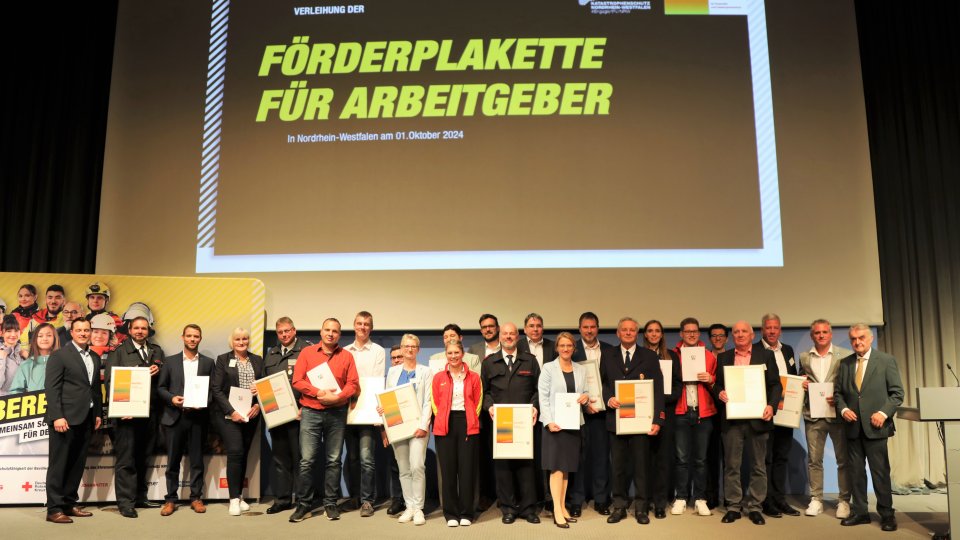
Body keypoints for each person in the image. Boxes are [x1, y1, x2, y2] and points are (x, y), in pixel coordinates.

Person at [834, 323, 903, 532]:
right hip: (852, 427)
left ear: (871, 338)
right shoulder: (844, 364)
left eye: (861, 337)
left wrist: (883, 413)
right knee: (856, 472)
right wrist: (844, 409)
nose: (857, 342)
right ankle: (861, 512)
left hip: (876, 428)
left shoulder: (886, 361)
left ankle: (887, 514)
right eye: (853, 339)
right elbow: (838, 394)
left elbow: (897, 393)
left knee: (880, 472)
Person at [289, 318, 359, 523]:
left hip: (337, 413)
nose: (331, 334)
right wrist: (318, 392)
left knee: (333, 460)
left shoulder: (347, 356)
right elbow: (297, 381)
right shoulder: (307, 353)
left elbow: (352, 384)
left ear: (339, 334)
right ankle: (304, 505)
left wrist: (337, 397)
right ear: (321, 332)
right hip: (311, 412)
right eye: (327, 330)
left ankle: (330, 503)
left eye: (335, 331)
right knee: (307, 461)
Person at [713, 321, 782, 526]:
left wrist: (771, 406)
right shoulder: (724, 357)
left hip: (758, 419)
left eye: (744, 331)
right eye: (736, 332)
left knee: (758, 466)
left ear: (752, 335)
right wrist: (720, 392)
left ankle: (755, 507)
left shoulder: (766, 355)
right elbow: (716, 384)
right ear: (732, 336)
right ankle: (733, 507)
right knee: (732, 466)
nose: (740, 334)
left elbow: (775, 384)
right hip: (732, 421)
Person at [600, 317, 665, 525]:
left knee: (641, 466)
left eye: (632, 330)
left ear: (637, 334)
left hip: (641, 422)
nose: (628, 333)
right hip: (617, 419)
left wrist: (658, 419)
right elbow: (601, 382)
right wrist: (608, 397)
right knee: (617, 466)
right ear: (618, 334)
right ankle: (619, 506)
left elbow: (658, 390)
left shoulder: (649, 356)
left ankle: (641, 508)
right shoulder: (607, 355)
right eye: (624, 330)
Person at [103, 316, 165, 517]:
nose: (140, 331)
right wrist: (123, 408)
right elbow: (111, 382)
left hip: (151, 413)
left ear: (149, 331)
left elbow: (165, 381)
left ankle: (140, 497)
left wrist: (160, 369)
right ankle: (125, 503)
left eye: (144, 328)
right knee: (126, 459)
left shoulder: (157, 351)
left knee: (143, 456)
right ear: (129, 330)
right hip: (127, 415)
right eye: (136, 328)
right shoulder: (118, 352)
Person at [44, 318, 103, 524]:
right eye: (79, 330)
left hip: (86, 418)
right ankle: (54, 509)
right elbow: (51, 389)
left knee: (77, 464)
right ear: (71, 332)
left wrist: (97, 414)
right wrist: (57, 416)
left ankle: (69, 503)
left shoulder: (94, 357)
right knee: (58, 465)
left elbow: (94, 389)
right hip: (64, 419)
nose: (83, 333)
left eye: (86, 330)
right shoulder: (59, 355)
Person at [481, 322, 541, 524]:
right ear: (500, 336)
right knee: (503, 467)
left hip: (525, 423)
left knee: (526, 466)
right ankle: (508, 508)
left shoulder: (530, 361)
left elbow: (537, 390)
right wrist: (489, 406)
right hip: (501, 423)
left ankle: (528, 508)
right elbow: (485, 392)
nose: (508, 336)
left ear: (517, 336)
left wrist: (534, 406)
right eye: (505, 333)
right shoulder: (489, 362)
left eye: (512, 334)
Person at [157, 324, 216, 516]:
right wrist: (172, 399)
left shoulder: (208, 363)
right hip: (175, 417)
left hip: (198, 418)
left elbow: (212, 391)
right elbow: (161, 388)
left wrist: (203, 403)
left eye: (196, 336)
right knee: (173, 461)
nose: (192, 339)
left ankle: (196, 497)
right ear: (182, 337)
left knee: (197, 460)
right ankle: (171, 499)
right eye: (189, 336)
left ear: (200, 339)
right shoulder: (170, 361)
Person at [799, 319, 853, 518]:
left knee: (843, 460)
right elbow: (801, 380)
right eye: (817, 333)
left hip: (837, 415)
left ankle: (844, 501)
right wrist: (802, 385)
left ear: (830, 334)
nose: (821, 335)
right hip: (813, 415)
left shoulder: (845, 355)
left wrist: (840, 398)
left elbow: (851, 384)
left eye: (824, 332)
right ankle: (816, 499)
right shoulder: (804, 357)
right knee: (814, 460)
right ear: (812, 335)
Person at [538, 332, 590, 528]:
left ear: (573, 348)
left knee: (566, 468)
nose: (566, 349)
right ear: (557, 348)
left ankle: (562, 506)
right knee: (557, 468)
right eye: (562, 346)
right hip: (555, 426)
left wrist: (585, 396)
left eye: (569, 346)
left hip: (573, 424)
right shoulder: (548, 368)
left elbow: (584, 392)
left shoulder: (580, 369)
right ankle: (557, 510)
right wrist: (549, 421)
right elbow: (542, 397)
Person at [382, 334, 434, 525]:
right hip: (397, 427)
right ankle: (409, 507)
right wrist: (383, 409)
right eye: (406, 346)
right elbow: (388, 398)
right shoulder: (393, 372)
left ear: (418, 349)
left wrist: (423, 426)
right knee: (403, 469)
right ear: (401, 349)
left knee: (417, 466)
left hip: (418, 428)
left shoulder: (426, 372)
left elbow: (428, 401)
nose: (409, 349)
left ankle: (419, 508)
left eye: (413, 346)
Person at [262, 316, 311, 514]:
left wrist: (304, 407)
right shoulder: (271, 354)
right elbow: (265, 383)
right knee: (280, 459)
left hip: (299, 414)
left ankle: (302, 500)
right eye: (280, 332)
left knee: (301, 459)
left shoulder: (306, 350)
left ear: (294, 330)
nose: (284, 335)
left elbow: (312, 382)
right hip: (277, 416)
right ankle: (282, 499)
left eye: (287, 331)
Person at [669, 317, 717, 518]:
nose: (691, 334)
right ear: (681, 333)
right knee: (681, 459)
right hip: (681, 412)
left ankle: (700, 499)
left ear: (699, 333)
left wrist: (711, 379)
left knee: (701, 459)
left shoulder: (709, 356)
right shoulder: (672, 356)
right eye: (687, 331)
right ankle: (680, 497)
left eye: (694, 331)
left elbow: (718, 384)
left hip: (703, 413)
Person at [212, 328, 262, 515]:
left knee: (243, 454)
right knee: (235, 452)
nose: (241, 342)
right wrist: (231, 411)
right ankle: (233, 499)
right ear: (231, 341)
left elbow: (264, 385)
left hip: (251, 415)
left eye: (245, 338)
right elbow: (216, 389)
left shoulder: (257, 360)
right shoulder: (223, 360)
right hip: (229, 416)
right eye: (237, 339)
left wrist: (258, 405)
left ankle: (239, 496)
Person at [432, 339, 482, 527]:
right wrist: (442, 420)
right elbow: (435, 403)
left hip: (467, 424)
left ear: (462, 354)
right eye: (450, 353)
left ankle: (466, 513)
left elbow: (477, 403)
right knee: (448, 471)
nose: (453, 356)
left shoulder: (474, 377)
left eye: (456, 353)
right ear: (446, 355)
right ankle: (451, 513)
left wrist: (471, 422)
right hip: (445, 425)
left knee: (467, 470)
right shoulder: (438, 378)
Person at [754, 313, 800, 517]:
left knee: (781, 456)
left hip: (786, 414)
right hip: (765, 413)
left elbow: (793, 378)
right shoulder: (754, 351)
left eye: (775, 328)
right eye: (768, 328)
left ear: (780, 330)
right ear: (762, 330)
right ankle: (765, 500)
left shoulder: (788, 350)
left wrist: (801, 383)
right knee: (765, 459)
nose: (772, 331)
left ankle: (780, 499)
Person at [569, 311, 612, 516]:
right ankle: (576, 500)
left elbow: (611, 382)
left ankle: (601, 499)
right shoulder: (571, 350)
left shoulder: (610, 350)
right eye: (585, 327)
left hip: (603, 413)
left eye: (592, 327)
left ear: (597, 328)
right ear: (580, 329)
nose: (589, 330)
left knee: (601, 457)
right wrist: (583, 404)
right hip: (579, 413)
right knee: (578, 457)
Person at [343, 311, 385, 516]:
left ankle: (368, 500)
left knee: (367, 458)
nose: (362, 327)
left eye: (366, 324)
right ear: (354, 325)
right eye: (359, 323)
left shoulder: (377, 351)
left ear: (371, 327)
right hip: (347, 410)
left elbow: (376, 382)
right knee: (351, 458)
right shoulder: (344, 351)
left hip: (367, 411)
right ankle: (354, 497)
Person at [642, 320, 682, 518]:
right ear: (645, 334)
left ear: (662, 334)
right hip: (641, 413)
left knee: (663, 459)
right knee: (644, 459)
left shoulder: (671, 357)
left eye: (657, 331)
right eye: (650, 331)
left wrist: (660, 398)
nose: (654, 334)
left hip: (666, 413)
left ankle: (660, 502)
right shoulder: (639, 356)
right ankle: (645, 498)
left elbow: (677, 386)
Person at [705, 322, 729, 508]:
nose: (718, 338)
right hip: (709, 412)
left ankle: (730, 497)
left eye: (721, 335)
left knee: (730, 458)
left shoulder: (733, 358)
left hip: (730, 412)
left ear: (727, 338)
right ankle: (711, 496)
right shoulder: (703, 358)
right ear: (709, 339)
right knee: (710, 457)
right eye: (714, 335)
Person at [384, 345, 406, 515]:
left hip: (413, 425)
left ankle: (411, 500)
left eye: (400, 356)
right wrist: (384, 431)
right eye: (394, 358)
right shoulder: (388, 379)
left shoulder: (416, 375)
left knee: (413, 465)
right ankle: (397, 499)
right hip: (394, 424)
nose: (397, 360)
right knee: (395, 465)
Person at [9, 322, 59, 394]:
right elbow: (15, 392)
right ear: (35, 339)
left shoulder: (64, 363)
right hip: (34, 404)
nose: (44, 338)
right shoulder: (26, 365)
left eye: (49, 335)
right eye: (40, 336)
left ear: (55, 338)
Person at [0, 314, 25, 395]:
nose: (13, 334)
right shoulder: (1, 354)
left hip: (25, 401)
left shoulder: (23, 354)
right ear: (2, 333)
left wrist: (30, 359)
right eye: (9, 331)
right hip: (4, 402)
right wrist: (1, 359)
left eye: (16, 330)